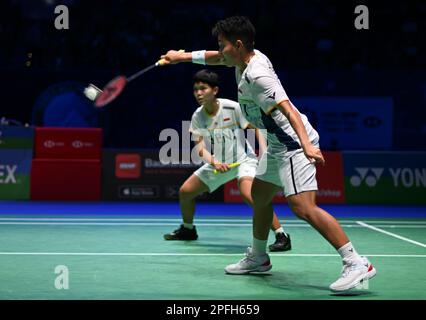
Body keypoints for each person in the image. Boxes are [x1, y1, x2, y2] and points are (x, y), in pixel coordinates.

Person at [160, 16, 376, 292]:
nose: (220, 50)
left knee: (303, 207)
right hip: (276, 143)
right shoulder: (242, 58)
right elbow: (216, 58)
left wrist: (307, 146)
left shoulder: (257, 75)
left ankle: (356, 262)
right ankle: (259, 257)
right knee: (260, 197)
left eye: (222, 44)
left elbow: (289, 109)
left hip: (293, 144)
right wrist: (182, 57)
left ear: (237, 45)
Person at [164, 69, 291, 253]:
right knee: (185, 192)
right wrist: (214, 162)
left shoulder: (232, 108)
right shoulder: (197, 116)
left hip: (244, 160)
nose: (198, 93)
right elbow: (200, 149)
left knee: (250, 194)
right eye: (195, 89)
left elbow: (256, 127)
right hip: (220, 163)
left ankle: (281, 235)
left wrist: (263, 150)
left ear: (214, 90)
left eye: (203, 89)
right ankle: (188, 229)